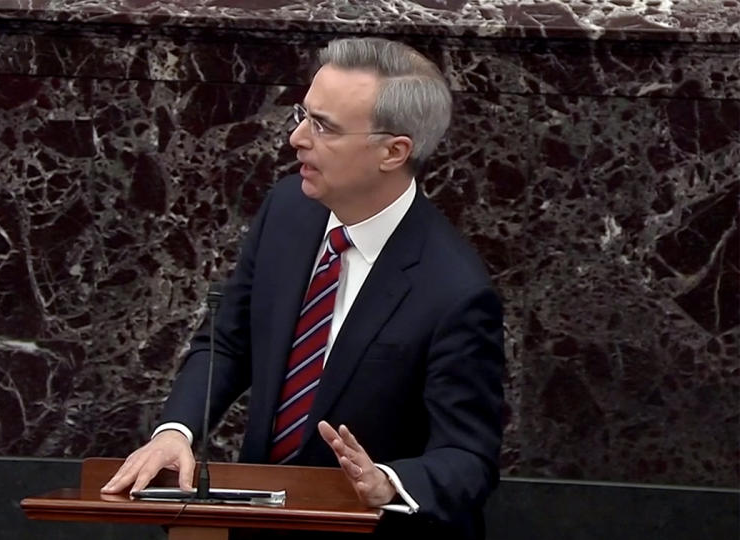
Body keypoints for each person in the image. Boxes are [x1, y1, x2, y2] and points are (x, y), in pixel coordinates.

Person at [102, 37, 505, 539]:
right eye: (304, 114)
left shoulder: (454, 290)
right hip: (252, 524)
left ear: (393, 150)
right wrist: (175, 431)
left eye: (323, 127)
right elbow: (227, 341)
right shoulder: (288, 210)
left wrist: (386, 482)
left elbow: (469, 458)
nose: (296, 137)